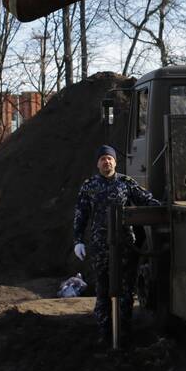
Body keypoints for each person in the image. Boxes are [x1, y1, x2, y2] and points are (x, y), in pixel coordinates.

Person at [73, 144, 159, 348]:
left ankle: (124, 333)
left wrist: (165, 207)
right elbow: (81, 214)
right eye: (103, 159)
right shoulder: (89, 186)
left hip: (125, 246)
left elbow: (146, 200)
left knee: (126, 290)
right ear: (98, 163)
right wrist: (78, 241)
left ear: (115, 162)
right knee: (103, 290)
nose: (107, 162)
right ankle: (105, 333)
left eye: (109, 158)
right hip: (101, 247)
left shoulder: (126, 183)